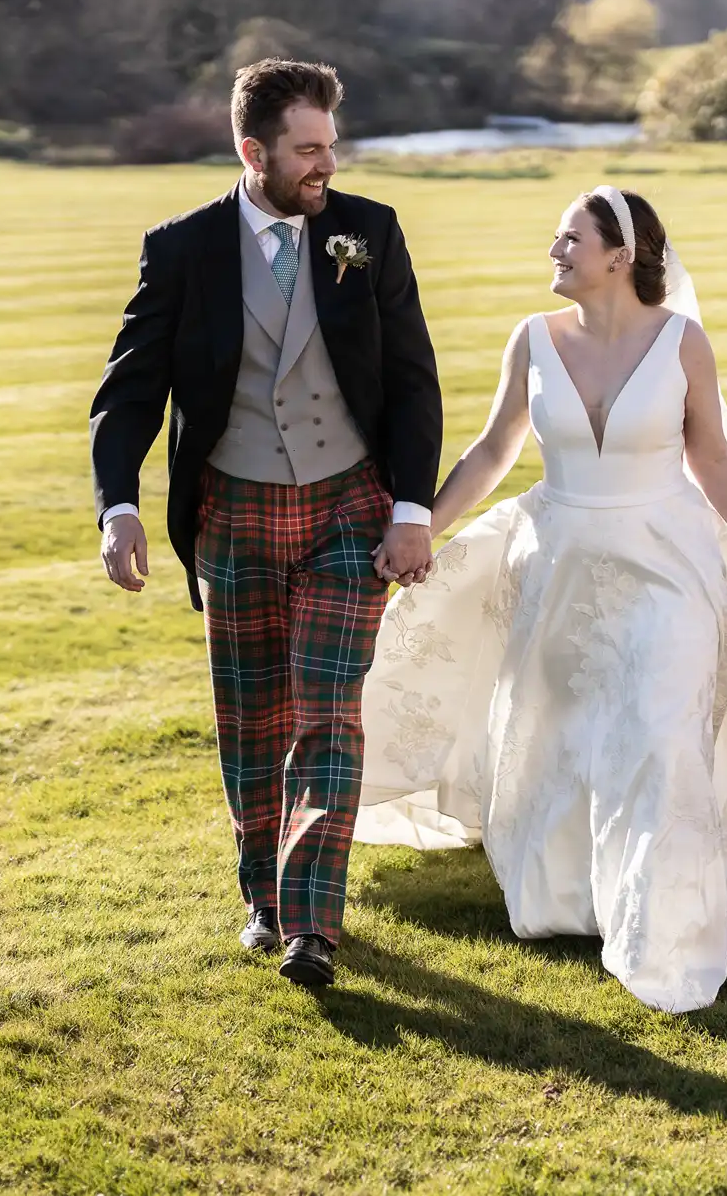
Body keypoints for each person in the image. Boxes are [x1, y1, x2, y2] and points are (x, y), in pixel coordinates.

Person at [357, 186, 727, 1012]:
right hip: (560, 565)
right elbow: (491, 450)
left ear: (622, 255)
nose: (554, 251)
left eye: (569, 238)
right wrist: (421, 529)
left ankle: (663, 926)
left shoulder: (683, 342)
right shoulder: (533, 339)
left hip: (666, 561)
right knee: (561, 731)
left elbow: (713, 460)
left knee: (657, 724)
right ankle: (570, 896)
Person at [90, 59, 443, 987]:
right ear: (254, 151)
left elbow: (412, 377)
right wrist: (117, 504)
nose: (328, 164)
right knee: (251, 717)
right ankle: (264, 900)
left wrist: (412, 509)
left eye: (333, 145)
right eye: (309, 149)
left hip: (347, 508)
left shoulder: (369, 230)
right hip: (234, 511)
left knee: (327, 712)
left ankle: (312, 928)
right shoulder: (182, 249)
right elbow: (128, 393)